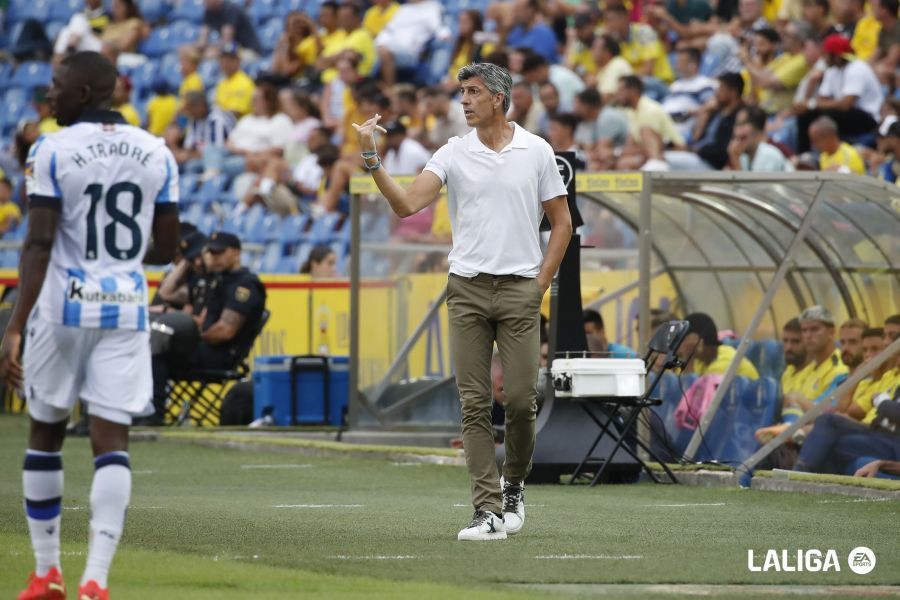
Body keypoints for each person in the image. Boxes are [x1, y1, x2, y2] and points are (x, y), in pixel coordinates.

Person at [352, 62, 571, 541]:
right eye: (462, 93)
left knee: (519, 399)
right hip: (467, 288)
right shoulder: (452, 151)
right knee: (473, 404)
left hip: (519, 289)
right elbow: (407, 204)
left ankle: (513, 486)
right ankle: (487, 510)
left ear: (498, 97)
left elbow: (562, 223)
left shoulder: (537, 150)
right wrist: (373, 160)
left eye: (473, 92)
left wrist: (541, 283)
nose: (464, 100)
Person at [0, 50, 179, 600]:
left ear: (81, 93)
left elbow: (38, 241)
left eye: (55, 86)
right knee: (111, 440)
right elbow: (167, 248)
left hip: (61, 309)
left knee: (46, 430)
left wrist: (14, 324)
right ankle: (96, 580)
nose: (47, 95)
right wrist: (118, 260)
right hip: (125, 306)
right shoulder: (157, 151)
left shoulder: (52, 149)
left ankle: (46, 571)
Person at [151, 232, 266, 421]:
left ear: (236, 253)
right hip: (206, 349)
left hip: (219, 355)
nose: (214, 257)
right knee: (155, 345)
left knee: (159, 351)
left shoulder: (244, 285)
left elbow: (225, 331)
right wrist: (187, 261)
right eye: (211, 252)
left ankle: (154, 413)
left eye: (220, 252)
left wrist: (195, 336)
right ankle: (148, 410)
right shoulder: (217, 280)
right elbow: (167, 293)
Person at [795, 34, 883, 153]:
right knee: (807, 116)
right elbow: (822, 99)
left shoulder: (857, 68)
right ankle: (805, 155)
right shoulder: (832, 71)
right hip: (846, 114)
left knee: (820, 115)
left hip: (868, 117)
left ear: (836, 56)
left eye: (826, 54)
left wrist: (811, 104)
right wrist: (810, 103)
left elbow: (846, 104)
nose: (823, 58)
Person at [677, 312, 760, 379]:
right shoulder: (701, 362)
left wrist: (688, 357)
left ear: (698, 341)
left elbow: (693, 395)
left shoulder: (724, 362)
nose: (682, 344)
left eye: (685, 339)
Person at [729, 106, 794, 171]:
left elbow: (754, 181)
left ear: (757, 130)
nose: (737, 132)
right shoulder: (742, 156)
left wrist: (735, 160)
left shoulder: (769, 154)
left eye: (742, 124)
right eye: (736, 124)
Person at [781, 317, 810, 395]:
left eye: (796, 342)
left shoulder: (814, 374)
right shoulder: (788, 371)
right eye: (785, 341)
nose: (788, 347)